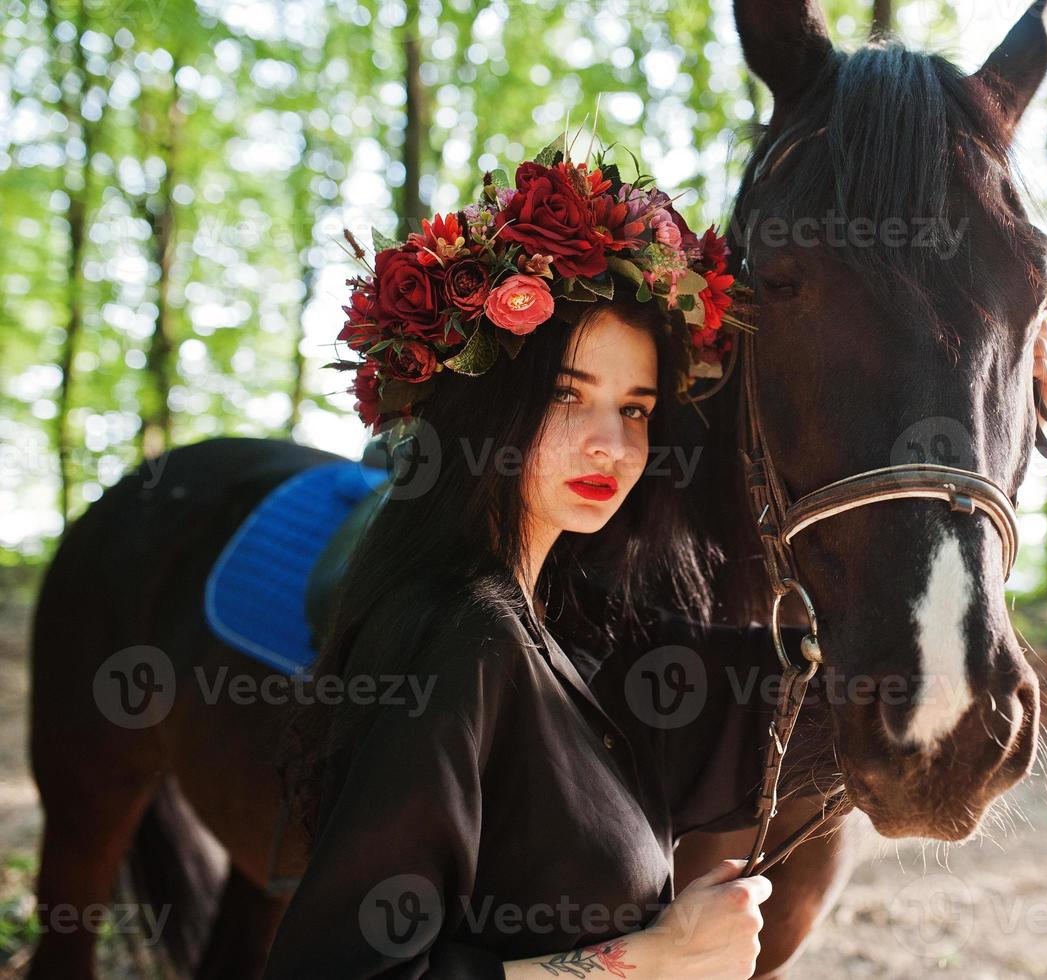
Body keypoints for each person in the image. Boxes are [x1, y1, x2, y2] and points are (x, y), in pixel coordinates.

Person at [264, 143, 771, 979]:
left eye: (635, 409)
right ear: (488, 405)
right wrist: (650, 961)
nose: (610, 444)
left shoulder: (558, 625)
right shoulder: (464, 635)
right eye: (566, 395)